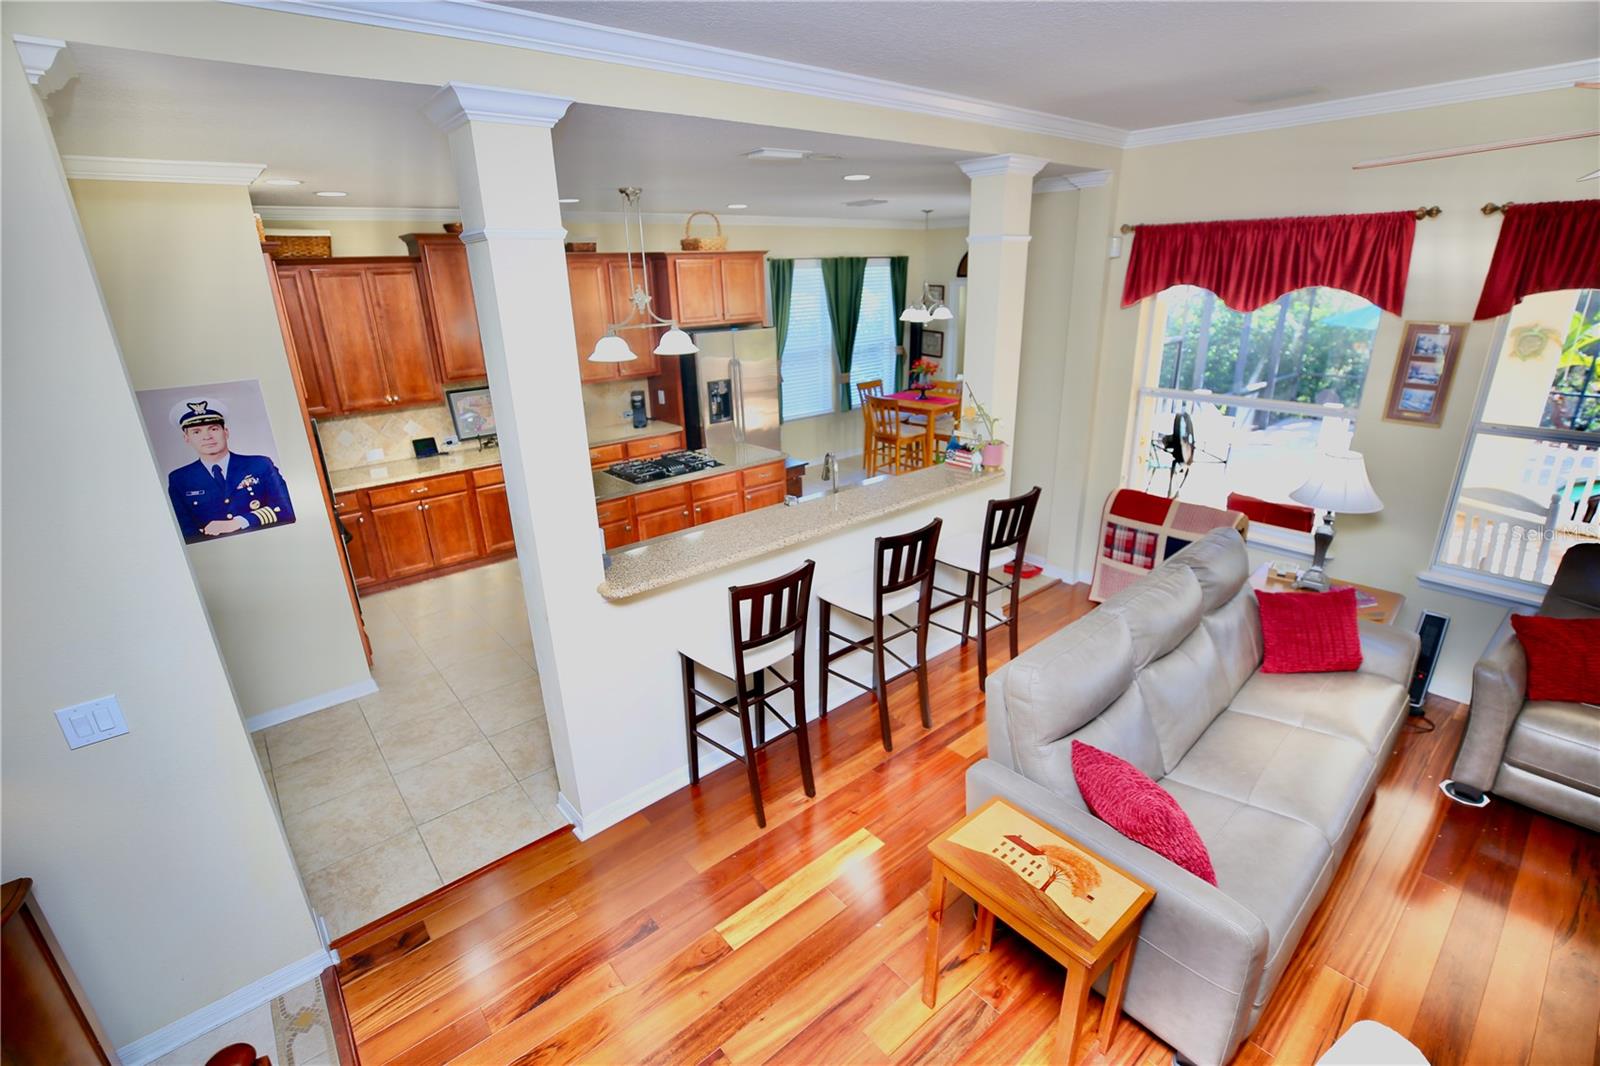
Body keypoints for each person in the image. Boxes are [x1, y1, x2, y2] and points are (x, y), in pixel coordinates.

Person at [165, 400, 295, 543]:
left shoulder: (260, 464)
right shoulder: (179, 479)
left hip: (267, 542)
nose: (207, 436)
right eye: (196, 432)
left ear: (225, 432)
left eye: (213, 429)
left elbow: (287, 509)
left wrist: (238, 522)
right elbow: (185, 531)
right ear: (187, 438)